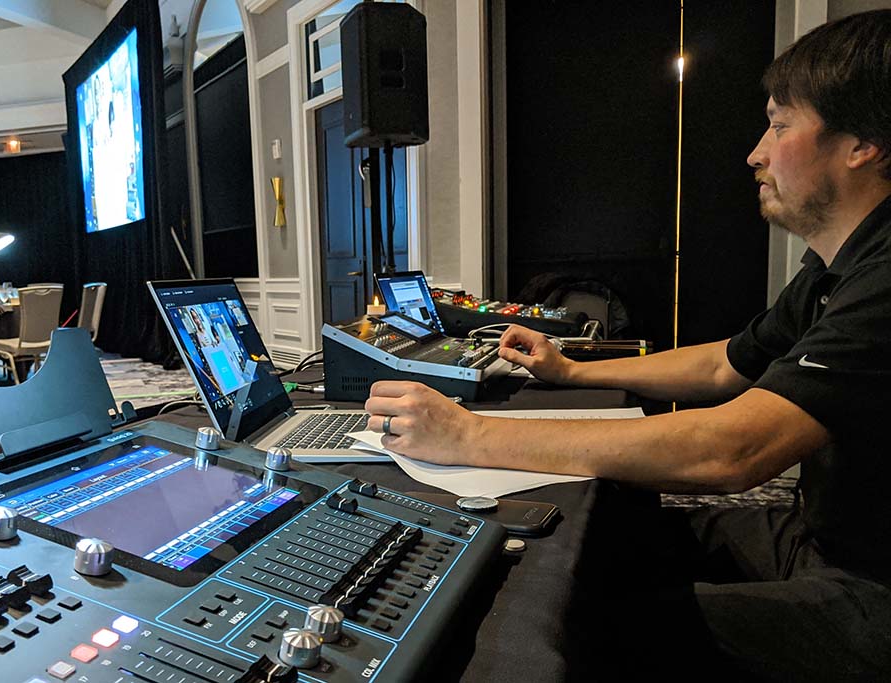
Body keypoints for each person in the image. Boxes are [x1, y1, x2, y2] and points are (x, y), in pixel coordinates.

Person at [365, 10, 891, 680]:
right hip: (820, 535)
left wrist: (469, 436)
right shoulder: (835, 266)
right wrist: (572, 369)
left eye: (780, 124)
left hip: (871, 587)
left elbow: (736, 449)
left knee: (586, 629)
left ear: (863, 143)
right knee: (614, 540)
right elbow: (727, 363)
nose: (756, 151)